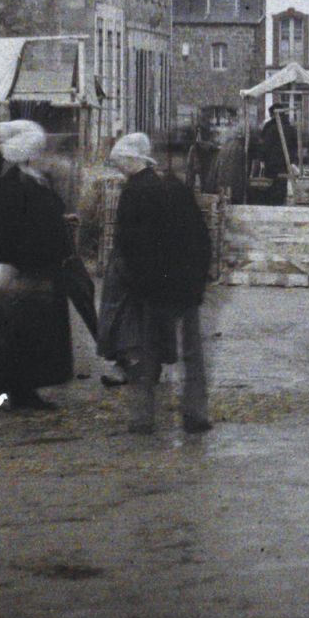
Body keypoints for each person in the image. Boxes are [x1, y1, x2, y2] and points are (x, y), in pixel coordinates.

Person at [102, 133, 213, 435]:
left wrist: (136, 282)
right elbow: (201, 239)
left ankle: (142, 417)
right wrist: (197, 280)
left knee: (146, 353)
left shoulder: (133, 193)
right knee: (191, 353)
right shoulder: (178, 190)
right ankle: (195, 413)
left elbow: (129, 244)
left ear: (132, 160)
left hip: (153, 288)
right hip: (184, 286)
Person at [0, 120, 77, 412]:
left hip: (32, 267)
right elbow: (15, 228)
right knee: (26, 332)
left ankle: (23, 388)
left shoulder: (21, 180)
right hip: (27, 269)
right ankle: (22, 390)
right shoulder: (15, 184)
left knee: (27, 330)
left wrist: (59, 221)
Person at [250, 105, 298, 205]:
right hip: (285, 162)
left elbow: (265, 145)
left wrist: (261, 158)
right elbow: (294, 146)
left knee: (271, 185)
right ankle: (280, 201)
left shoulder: (269, 127)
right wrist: (293, 160)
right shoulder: (290, 128)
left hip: (271, 162)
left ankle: (272, 203)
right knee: (282, 183)